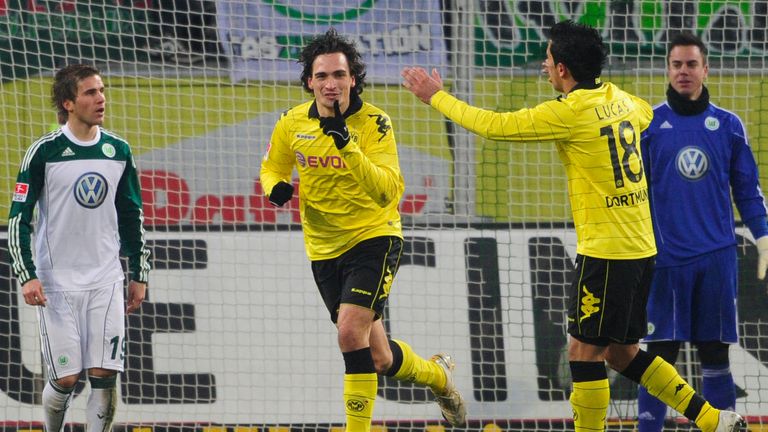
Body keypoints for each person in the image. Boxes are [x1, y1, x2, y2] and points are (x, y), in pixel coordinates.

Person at [401, 20, 746, 432]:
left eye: (548, 61)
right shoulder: (621, 99)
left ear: (563, 69)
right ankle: (712, 419)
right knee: (622, 353)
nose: (545, 68)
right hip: (641, 248)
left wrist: (436, 96)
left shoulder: (569, 112)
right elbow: (643, 118)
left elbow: (494, 126)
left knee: (583, 353)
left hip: (606, 252)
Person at [259, 28, 466, 431]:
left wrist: (345, 146)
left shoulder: (375, 123)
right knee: (379, 358)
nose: (330, 84)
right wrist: (275, 187)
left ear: (353, 78)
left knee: (349, 331)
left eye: (339, 75)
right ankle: (439, 377)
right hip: (323, 247)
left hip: (374, 237)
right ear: (309, 82)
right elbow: (272, 165)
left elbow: (388, 191)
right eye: (321, 76)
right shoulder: (291, 122)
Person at [7, 64, 151, 432]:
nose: (100, 98)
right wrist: (28, 275)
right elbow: (18, 219)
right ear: (68, 102)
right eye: (90, 92)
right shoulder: (43, 152)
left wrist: (138, 273)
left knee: (104, 375)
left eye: (101, 90)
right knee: (67, 379)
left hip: (105, 278)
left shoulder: (117, 150)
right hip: (57, 283)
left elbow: (131, 214)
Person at [636, 31, 768, 432]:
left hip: (716, 259)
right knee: (659, 356)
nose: (684, 72)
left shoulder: (728, 126)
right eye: (677, 64)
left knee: (714, 353)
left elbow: (747, 189)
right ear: (668, 69)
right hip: (664, 262)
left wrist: (763, 236)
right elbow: (631, 192)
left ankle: (720, 427)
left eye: (692, 64)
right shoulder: (648, 124)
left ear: (706, 69)